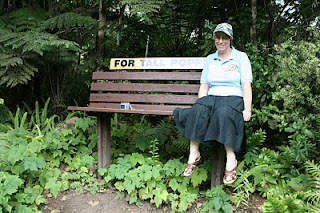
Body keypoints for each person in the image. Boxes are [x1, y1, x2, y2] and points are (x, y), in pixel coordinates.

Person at [173, 23, 252, 184]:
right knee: (199, 109)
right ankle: (194, 152)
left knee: (224, 113)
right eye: (218, 37)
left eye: (224, 37)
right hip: (213, 96)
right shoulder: (210, 59)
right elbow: (204, 85)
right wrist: (201, 104)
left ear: (230, 39)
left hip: (233, 98)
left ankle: (231, 158)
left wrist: (247, 109)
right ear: (215, 39)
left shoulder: (241, 57)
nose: (221, 41)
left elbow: (246, 85)